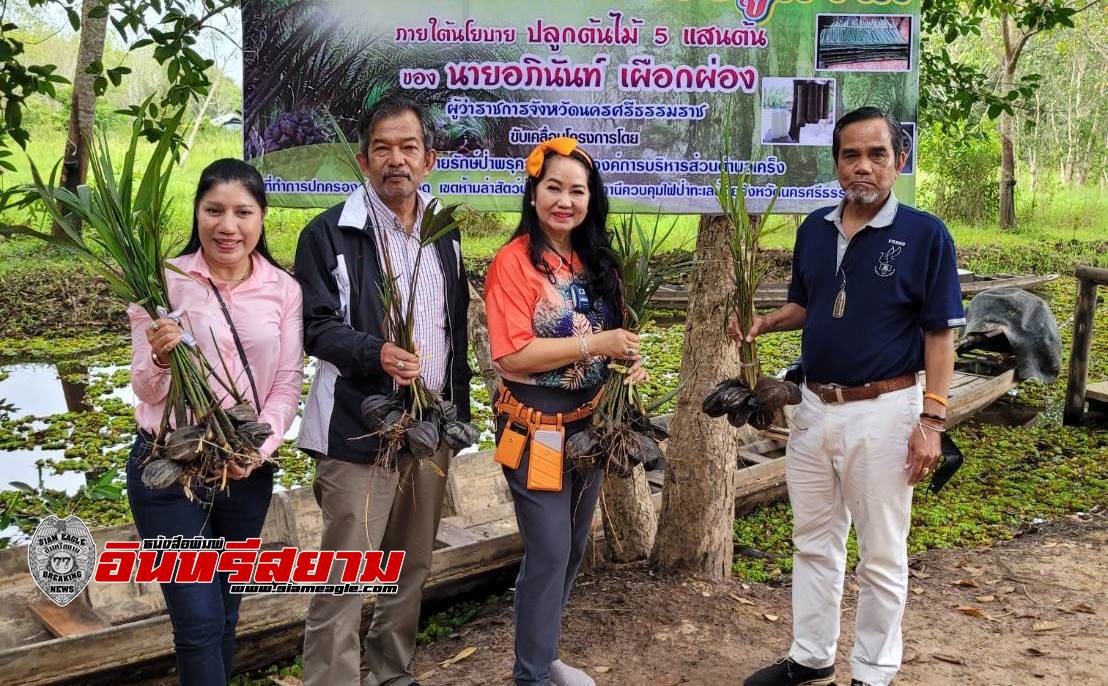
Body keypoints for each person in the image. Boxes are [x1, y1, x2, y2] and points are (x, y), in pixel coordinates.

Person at [738, 107, 966, 686]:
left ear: (899, 161)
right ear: (835, 161)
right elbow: (809, 305)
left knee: (882, 552)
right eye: (850, 155)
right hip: (814, 408)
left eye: (877, 155)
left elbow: (941, 334)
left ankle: (872, 670)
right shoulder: (814, 228)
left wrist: (932, 421)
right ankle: (811, 657)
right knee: (813, 540)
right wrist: (766, 322)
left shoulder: (925, 235)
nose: (862, 167)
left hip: (887, 412)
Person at [296, 95, 473, 686]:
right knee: (346, 573)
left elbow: (454, 330)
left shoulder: (444, 233)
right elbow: (315, 328)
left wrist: (454, 421)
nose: (396, 160)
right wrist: (374, 353)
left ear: (429, 158)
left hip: (427, 429)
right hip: (356, 428)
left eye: (408, 148)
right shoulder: (328, 232)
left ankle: (389, 672)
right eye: (382, 149)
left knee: (411, 563)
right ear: (363, 158)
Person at [127, 158, 304, 685]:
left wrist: (259, 450)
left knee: (225, 614)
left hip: (243, 470)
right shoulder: (163, 281)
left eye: (242, 212)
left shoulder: (284, 289)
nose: (228, 226)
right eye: (215, 211)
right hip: (167, 467)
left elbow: (288, 383)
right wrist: (159, 358)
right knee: (198, 621)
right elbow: (145, 387)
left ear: (263, 218)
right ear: (197, 213)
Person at [484, 137, 647, 686]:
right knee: (550, 549)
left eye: (577, 190)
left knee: (574, 546)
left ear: (590, 199)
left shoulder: (597, 260)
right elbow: (512, 352)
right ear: (534, 193)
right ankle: (530, 674)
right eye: (553, 187)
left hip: (590, 429)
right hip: (535, 427)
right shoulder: (513, 263)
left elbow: (619, 336)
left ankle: (544, 653)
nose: (565, 200)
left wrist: (628, 360)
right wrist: (596, 345)